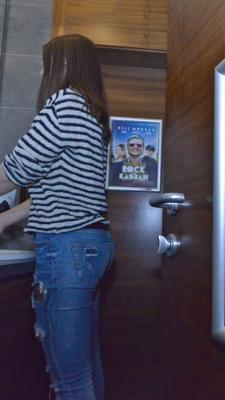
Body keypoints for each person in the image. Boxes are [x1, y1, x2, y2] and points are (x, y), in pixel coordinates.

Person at [0, 34, 114, 400]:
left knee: (67, 379)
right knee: (86, 366)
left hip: (67, 252)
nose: (40, 71)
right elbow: (57, 193)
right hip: (90, 247)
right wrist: (4, 221)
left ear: (62, 65)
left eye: (45, 63)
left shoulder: (64, 103)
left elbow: (12, 172)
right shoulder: (92, 114)